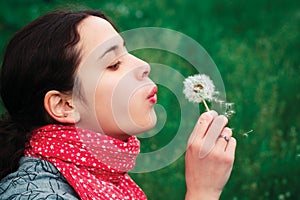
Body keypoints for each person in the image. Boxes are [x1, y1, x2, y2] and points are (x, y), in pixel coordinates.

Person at [0, 10, 236, 199]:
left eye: (127, 53)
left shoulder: (106, 179)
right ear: (64, 105)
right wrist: (202, 192)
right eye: (113, 64)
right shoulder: (36, 195)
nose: (144, 65)